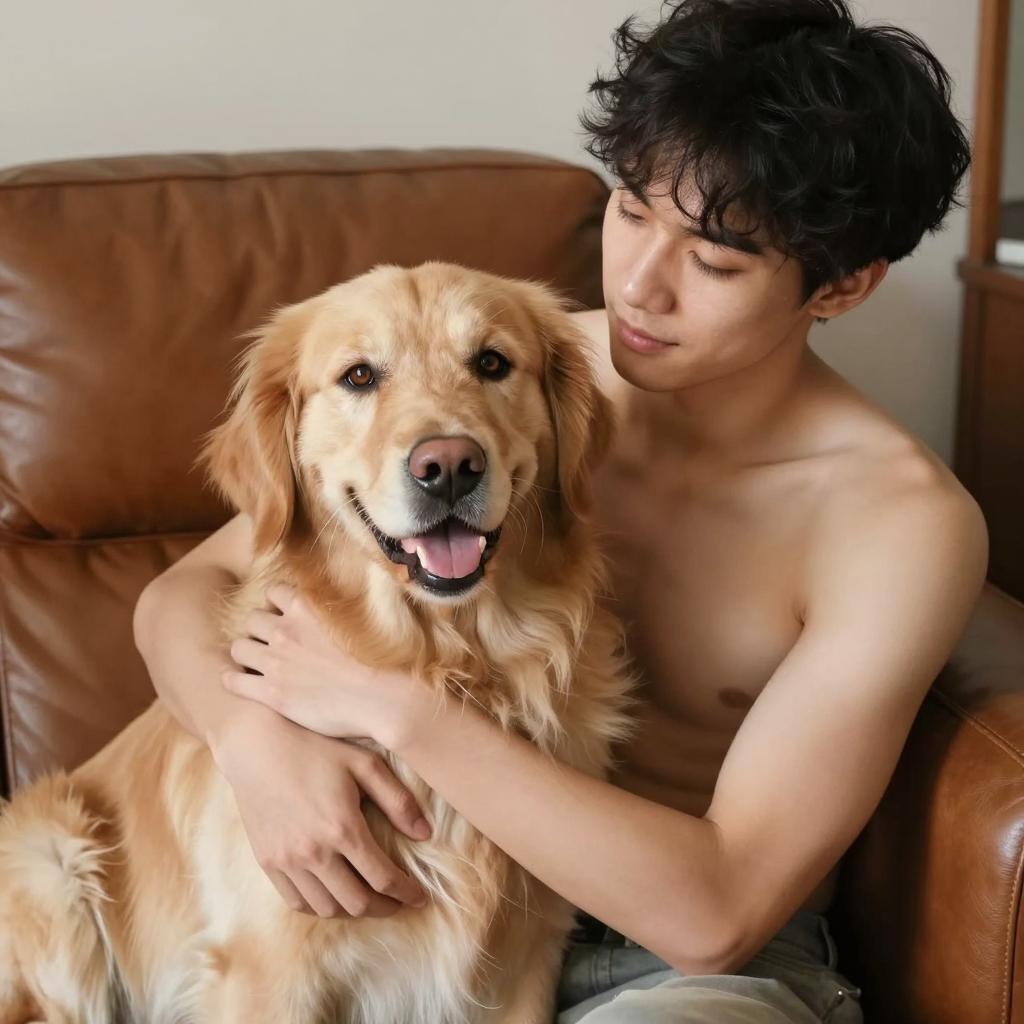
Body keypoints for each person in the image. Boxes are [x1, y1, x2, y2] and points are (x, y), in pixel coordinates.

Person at [132, 0, 988, 1019]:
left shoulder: (897, 523)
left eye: (713, 260)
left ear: (840, 288)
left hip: (674, 961)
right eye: (631, 209)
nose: (638, 285)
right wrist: (251, 743)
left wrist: (394, 708)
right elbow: (185, 590)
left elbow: (717, 911)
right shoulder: (511, 372)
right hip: (419, 902)